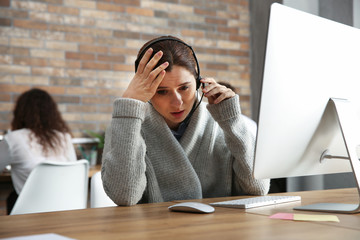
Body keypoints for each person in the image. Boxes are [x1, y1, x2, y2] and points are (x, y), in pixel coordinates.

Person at [101, 36, 270, 206]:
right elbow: (124, 196)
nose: (177, 102)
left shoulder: (221, 122)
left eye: (184, 88)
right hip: (154, 231)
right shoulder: (127, 126)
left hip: (219, 228)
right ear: (147, 91)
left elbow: (258, 188)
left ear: (198, 82)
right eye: (162, 91)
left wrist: (232, 119)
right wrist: (129, 104)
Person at [0, 88, 77, 214]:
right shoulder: (64, 137)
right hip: (64, 207)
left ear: (20, 112)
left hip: (29, 211)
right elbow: (72, 170)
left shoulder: (12, 139)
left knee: (13, 197)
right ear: (52, 113)